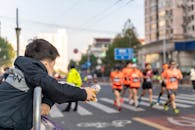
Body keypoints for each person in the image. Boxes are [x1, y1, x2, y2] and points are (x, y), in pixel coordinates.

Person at [0, 39, 96, 130]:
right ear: (46, 64)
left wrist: (47, 103)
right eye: (53, 65)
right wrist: (84, 94)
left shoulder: (26, 70)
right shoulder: (33, 71)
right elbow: (56, 89)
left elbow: (49, 89)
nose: (53, 70)